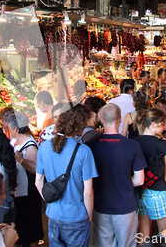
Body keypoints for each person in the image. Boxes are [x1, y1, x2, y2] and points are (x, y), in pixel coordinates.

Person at [35, 104, 98, 247]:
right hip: (77, 217)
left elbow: (38, 182)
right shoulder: (84, 151)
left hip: (53, 216)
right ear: (78, 125)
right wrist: (88, 216)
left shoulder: (44, 147)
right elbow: (88, 192)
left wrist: (50, 201)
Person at [86, 104, 146, 247]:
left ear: (101, 119)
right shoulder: (133, 146)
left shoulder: (90, 146)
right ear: (120, 119)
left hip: (101, 207)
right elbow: (139, 180)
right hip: (125, 207)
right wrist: (125, 181)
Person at [135, 108, 166, 240]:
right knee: (165, 232)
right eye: (163, 123)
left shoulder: (135, 141)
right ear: (153, 124)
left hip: (141, 191)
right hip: (159, 192)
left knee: (143, 231)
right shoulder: (163, 144)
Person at [3, 111, 43, 247]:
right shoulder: (16, 141)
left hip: (29, 194)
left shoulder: (30, 147)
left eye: (8, 128)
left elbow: (38, 170)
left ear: (15, 129)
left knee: (29, 230)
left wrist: (20, 160)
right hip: (20, 193)